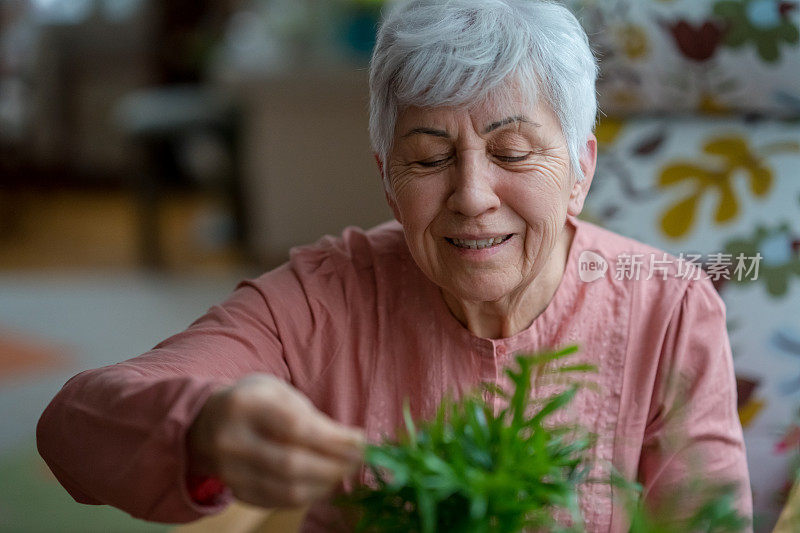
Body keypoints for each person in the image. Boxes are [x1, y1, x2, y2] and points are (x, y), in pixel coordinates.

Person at [36, 0, 753, 531]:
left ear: (580, 169)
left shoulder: (670, 305)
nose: (472, 197)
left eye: (511, 152)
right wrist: (203, 423)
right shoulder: (323, 298)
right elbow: (74, 426)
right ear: (387, 178)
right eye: (429, 157)